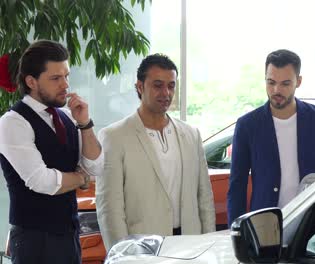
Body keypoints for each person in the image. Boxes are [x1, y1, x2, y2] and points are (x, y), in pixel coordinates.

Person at [96, 53, 215, 250]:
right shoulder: (114, 136)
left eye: (171, 86)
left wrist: (208, 244)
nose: (166, 93)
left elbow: (205, 198)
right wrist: (123, 256)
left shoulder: (191, 135)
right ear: (140, 87)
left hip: (190, 246)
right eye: (158, 85)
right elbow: (110, 209)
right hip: (142, 249)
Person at [0, 40, 103, 264]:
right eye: (56, 78)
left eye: (66, 76)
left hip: (69, 233)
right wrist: (81, 178)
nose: (65, 85)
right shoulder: (12, 122)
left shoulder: (67, 115)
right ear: (31, 81)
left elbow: (95, 167)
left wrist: (85, 124)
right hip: (33, 240)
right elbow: (43, 181)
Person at [227, 49, 315, 225]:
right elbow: (237, 185)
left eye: (285, 84)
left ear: (298, 81)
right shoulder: (247, 125)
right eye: (271, 82)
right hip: (263, 225)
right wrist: (235, 232)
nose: (276, 90)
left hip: (309, 221)